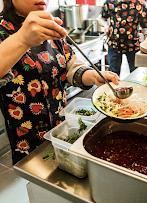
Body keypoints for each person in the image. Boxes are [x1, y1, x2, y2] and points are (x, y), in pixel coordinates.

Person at [0, 0, 120, 165]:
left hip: (61, 128)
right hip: (26, 137)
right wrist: (22, 39)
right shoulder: (2, 30)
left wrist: (93, 76)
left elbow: (70, 67)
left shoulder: (49, 27)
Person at [100, 0, 147, 76]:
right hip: (114, 44)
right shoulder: (110, 2)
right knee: (113, 75)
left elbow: (145, 28)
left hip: (133, 45)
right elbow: (101, 19)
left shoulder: (140, 4)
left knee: (136, 74)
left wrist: (146, 50)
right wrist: (106, 26)